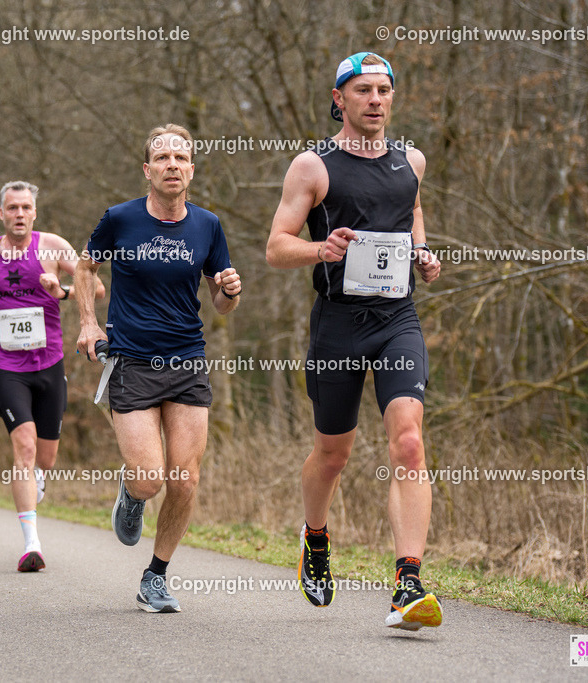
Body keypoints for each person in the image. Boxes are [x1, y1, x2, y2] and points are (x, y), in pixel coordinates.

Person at [265, 52, 443, 630]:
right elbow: (275, 247)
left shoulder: (410, 159)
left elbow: (411, 211)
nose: (375, 99)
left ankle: (409, 583)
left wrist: (421, 250)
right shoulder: (313, 167)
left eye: (384, 89)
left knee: (409, 443)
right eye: (363, 90)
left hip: (397, 318)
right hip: (339, 323)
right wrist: (321, 250)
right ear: (339, 98)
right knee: (333, 453)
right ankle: (315, 536)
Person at [75, 123, 242, 612]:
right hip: (132, 360)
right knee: (149, 479)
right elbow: (86, 268)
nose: (173, 165)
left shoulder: (207, 225)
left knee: (185, 479)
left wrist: (229, 291)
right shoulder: (120, 219)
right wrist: (88, 323)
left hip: (187, 360)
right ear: (148, 170)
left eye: (181, 158)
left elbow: (220, 303)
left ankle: (156, 576)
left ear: (192, 169)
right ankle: (132, 495)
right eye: (163, 158)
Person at [0, 181, 102, 572]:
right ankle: (31, 544)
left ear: (34, 212)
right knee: (23, 447)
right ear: (1, 213)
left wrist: (63, 292)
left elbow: (97, 287)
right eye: (11, 207)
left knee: (46, 458)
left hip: (50, 364)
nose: (19, 213)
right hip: (6, 367)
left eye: (25, 207)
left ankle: (37, 482)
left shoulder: (53, 246)